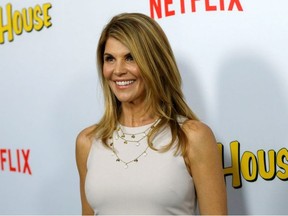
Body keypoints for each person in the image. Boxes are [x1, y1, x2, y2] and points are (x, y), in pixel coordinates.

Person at [76, 12, 227, 215]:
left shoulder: (192, 137)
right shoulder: (88, 141)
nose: (118, 70)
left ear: (154, 62)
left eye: (130, 57)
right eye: (110, 59)